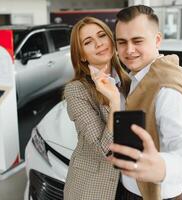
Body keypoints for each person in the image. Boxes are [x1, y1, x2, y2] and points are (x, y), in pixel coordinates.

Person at [92, 5, 182, 200]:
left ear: (157, 40)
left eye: (137, 41)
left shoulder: (166, 89)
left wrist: (162, 166)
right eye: (122, 42)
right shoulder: (137, 78)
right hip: (129, 190)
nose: (129, 50)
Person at [63, 16, 130, 200]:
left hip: (130, 184)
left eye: (102, 36)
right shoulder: (76, 90)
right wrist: (115, 102)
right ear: (82, 55)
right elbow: (105, 150)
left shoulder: (129, 82)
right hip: (92, 186)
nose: (99, 44)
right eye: (88, 42)